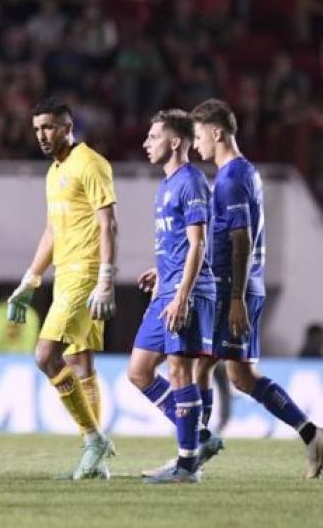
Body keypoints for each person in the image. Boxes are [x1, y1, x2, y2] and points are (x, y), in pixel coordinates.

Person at [191, 98, 323, 479]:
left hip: (236, 288)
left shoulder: (232, 178)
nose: (197, 144)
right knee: (240, 377)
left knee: (198, 363)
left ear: (217, 132)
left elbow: (241, 239)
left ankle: (194, 449)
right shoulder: (244, 172)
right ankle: (312, 435)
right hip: (244, 287)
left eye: (199, 135)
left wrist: (234, 300)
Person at [7, 97, 117, 480]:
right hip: (64, 275)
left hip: (85, 274)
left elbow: (108, 224)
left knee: (45, 355)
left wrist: (105, 278)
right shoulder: (55, 172)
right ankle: (96, 459)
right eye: (37, 128)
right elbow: (52, 230)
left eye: (49, 127)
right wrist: (29, 280)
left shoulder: (90, 163)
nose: (41, 134)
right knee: (82, 363)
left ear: (68, 128)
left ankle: (93, 439)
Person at [128, 109, 215, 484]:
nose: (147, 143)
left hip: (185, 293)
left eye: (154, 136)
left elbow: (199, 244)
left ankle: (186, 465)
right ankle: (198, 439)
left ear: (175, 141)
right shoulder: (166, 185)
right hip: (167, 287)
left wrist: (181, 293)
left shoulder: (191, 182)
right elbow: (177, 242)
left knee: (180, 370)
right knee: (139, 371)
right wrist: (161, 271)